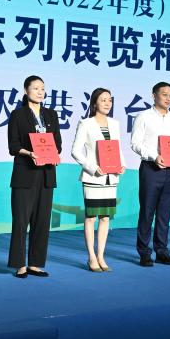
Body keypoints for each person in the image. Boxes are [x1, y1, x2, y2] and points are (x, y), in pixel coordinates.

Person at [7, 75, 63, 279]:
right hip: (25, 173)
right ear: (26, 90)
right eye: (35, 88)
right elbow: (13, 146)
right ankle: (19, 264)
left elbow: (57, 143)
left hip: (46, 174)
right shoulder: (18, 114)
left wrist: (54, 155)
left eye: (42, 89)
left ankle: (35, 263)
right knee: (21, 221)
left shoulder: (51, 115)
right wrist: (30, 153)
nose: (40, 92)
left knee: (42, 221)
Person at [131, 82, 170, 266]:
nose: (168, 98)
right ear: (154, 95)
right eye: (164, 94)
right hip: (151, 169)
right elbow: (135, 143)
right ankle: (144, 252)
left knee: (164, 213)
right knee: (147, 212)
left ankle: (162, 250)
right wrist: (154, 156)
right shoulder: (143, 116)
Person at [71, 87, 123, 272]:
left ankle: (101, 256)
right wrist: (93, 167)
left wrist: (121, 165)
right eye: (103, 100)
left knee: (106, 218)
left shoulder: (115, 124)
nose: (107, 103)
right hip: (93, 177)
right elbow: (75, 151)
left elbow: (117, 148)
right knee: (91, 217)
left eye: (110, 100)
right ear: (94, 103)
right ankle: (91, 257)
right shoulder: (86, 123)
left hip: (111, 177)